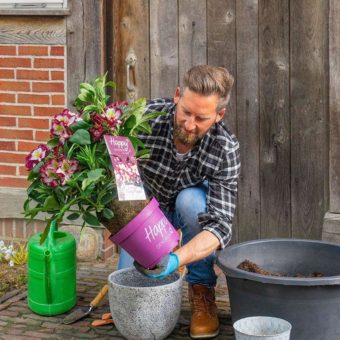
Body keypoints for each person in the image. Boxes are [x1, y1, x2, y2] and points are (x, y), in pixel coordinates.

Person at [118, 65, 240, 339]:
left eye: (201, 118)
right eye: (185, 111)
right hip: (147, 212)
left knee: (192, 201)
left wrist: (174, 260)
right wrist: (128, 226)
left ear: (219, 115)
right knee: (131, 291)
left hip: (190, 209)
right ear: (176, 96)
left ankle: (201, 290)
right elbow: (120, 178)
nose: (188, 124)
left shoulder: (225, 148)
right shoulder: (143, 119)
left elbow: (219, 229)